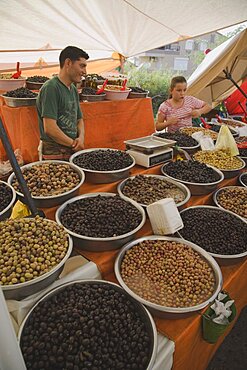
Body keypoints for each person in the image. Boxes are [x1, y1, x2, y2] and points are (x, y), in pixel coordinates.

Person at [36, 46, 89, 160]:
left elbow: (79, 119)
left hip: (70, 148)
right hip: (55, 151)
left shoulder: (73, 89)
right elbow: (50, 128)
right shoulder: (51, 88)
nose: (85, 72)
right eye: (82, 66)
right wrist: (74, 144)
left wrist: (81, 138)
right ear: (68, 63)